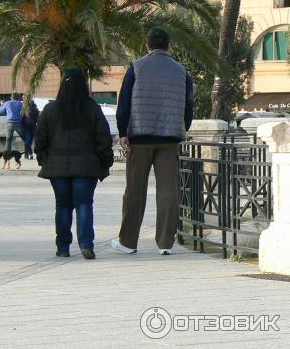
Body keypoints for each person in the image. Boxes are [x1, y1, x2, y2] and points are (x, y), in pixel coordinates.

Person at [112, 27, 194, 256]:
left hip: (140, 137)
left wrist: (123, 131)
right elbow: (189, 107)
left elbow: (124, 103)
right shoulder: (181, 71)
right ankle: (165, 243)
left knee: (134, 190)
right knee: (168, 190)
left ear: (147, 45)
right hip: (170, 138)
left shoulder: (136, 67)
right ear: (168, 45)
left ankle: (128, 242)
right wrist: (181, 129)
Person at [34, 67, 114, 259]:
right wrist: (104, 161)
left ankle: (63, 247)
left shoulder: (50, 109)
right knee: (84, 204)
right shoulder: (92, 108)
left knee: (62, 206)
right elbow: (104, 138)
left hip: (57, 167)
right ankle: (86, 244)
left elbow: (40, 139)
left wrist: (45, 159)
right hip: (86, 167)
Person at [22, 95, 39, 159]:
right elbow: (37, 118)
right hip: (29, 126)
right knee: (28, 140)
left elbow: (37, 117)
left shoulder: (32, 107)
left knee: (29, 141)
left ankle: (27, 154)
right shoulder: (28, 107)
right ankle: (30, 153)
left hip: (30, 126)